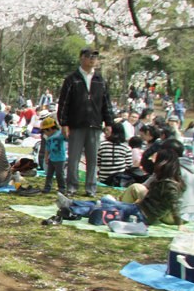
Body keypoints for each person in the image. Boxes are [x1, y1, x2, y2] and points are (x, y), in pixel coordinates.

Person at [57, 146, 184, 225]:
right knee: (105, 202)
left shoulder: (170, 185)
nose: (153, 162)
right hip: (139, 208)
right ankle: (72, 203)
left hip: (142, 215)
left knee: (106, 206)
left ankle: (72, 209)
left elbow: (175, 205)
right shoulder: (162, 180)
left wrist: (180, 224)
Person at [57, 47, 114, 197]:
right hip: (76, 124)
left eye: (95, 57)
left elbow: (106, 103)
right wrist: (64, 123)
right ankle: (72, 186)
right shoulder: (72, 79)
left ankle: (91, 187)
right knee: (74, 158)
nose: (92, 59)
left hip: (95, 123)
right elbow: (64, 103)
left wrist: (109, 122)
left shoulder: (100, 80)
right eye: (89, 56)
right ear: (82, 58)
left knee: (92, 158)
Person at [40, 117, 67, 193]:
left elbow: (66, 136)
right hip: (51, 158)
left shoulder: (60, 134)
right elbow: (47, 148)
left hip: (60, 159)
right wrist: (46, 157)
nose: (44, 133)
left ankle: (62, 187)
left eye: (45, 131)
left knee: (59, 174)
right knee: (49, 174)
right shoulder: (48, 138)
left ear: (50, 129)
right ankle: (47, 187)